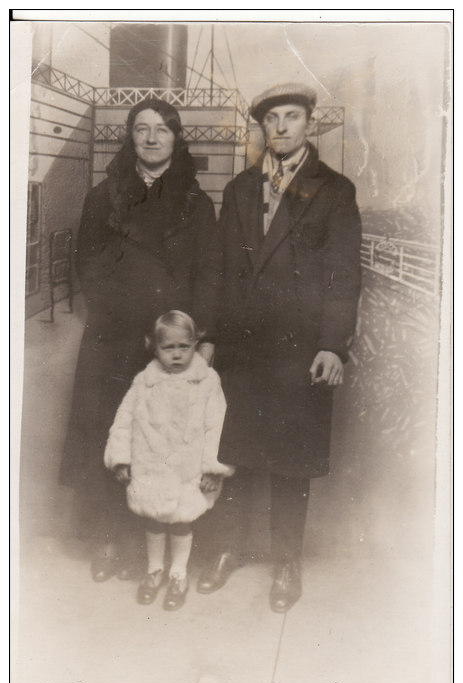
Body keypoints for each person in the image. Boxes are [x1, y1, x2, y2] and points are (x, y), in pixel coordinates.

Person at [197, 83, 362, 612]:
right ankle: (228, 549)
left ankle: (287, 561)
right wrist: (208, 338)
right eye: (273, 119)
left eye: (293, 117)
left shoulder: (335, 190)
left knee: (291, 459)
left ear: (309, 123)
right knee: (236, 453)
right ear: (262, 128)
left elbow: (344, 275)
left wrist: (333, 346)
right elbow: (221, 270)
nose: (283, 127)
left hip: (300, 349)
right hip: (243, 348)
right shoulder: (240, 188)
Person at [60, 99, 221, 582]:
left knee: (166, 438)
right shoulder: (103, 195)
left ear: (176, 138)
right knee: (108, 431)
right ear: (130, 139)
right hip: (114, 335)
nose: (151, 139)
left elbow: (209, 273)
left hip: (172, 343)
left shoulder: (196, 202)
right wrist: (124, 314)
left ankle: (165, 543)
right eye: (141, 130)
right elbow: (87, 263)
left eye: (162, 131)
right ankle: (109, 539)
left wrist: (198, 337)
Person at [104, 311, 233, 610]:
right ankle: (154, 570)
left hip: (186, 471)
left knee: (180, 523)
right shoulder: (144, 382)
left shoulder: (207, 381)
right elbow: (123, 421)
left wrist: (214, 468)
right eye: (168, 348)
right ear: (154, 348)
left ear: (195, 344)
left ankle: (178, 573)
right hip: (151, 467)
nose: (176, 354)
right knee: (154, 521)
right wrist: (121, 459)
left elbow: (217, 426)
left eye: (184, 347)